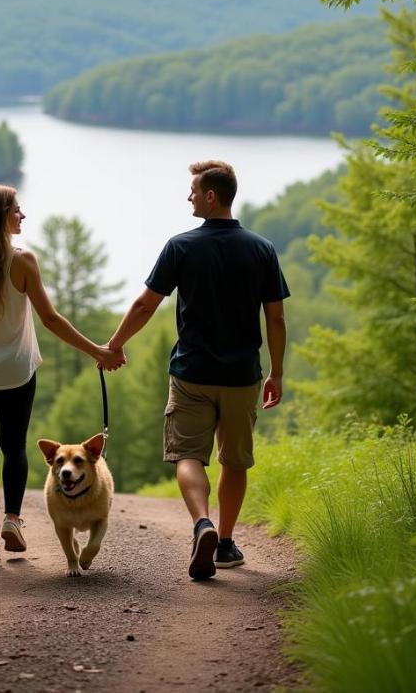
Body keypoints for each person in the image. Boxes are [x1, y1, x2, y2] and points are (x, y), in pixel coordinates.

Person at [106, 160, 288, 580]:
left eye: (193, 190)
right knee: (235, 461)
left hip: (191, 374)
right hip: (243, 375)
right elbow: (275, 319)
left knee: (188, 455)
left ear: (211, 195)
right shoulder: (261, 249)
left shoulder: (181, 246)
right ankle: (224, 543)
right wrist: (276, 372)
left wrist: (113, 347)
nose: (188, 197)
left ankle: (202, 523)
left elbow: (144, 305)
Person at [0, 184, 123, 568]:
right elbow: (52, 320)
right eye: (16, 210)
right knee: (15, 448)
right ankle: (12, 519)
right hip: (15, 373)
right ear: (0, 216)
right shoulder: (22, 261)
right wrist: (98, 351)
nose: (22, 216)